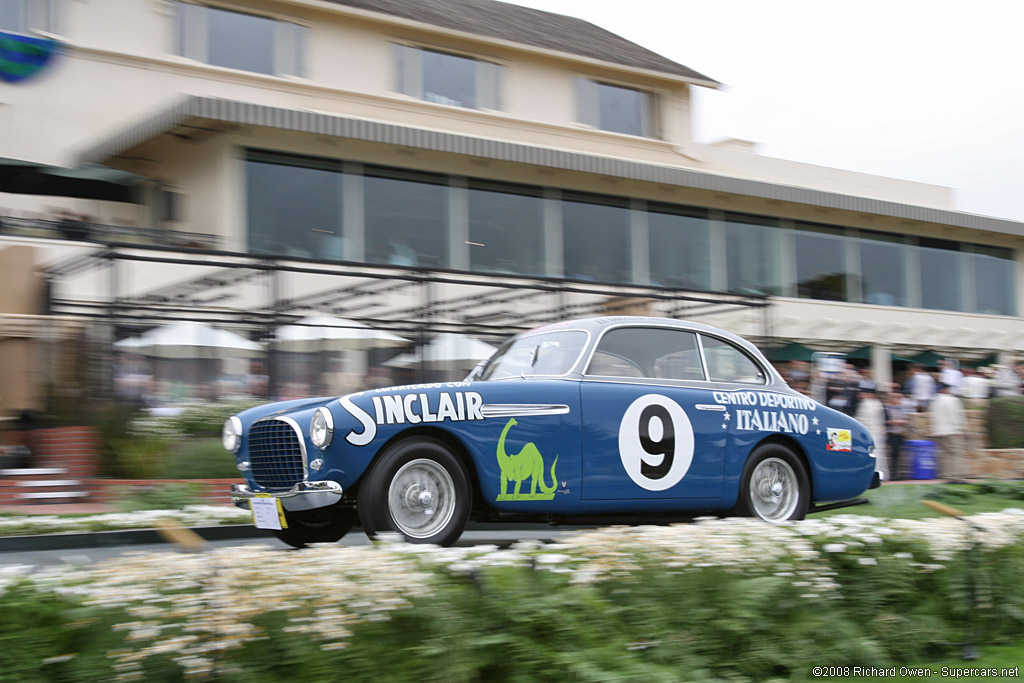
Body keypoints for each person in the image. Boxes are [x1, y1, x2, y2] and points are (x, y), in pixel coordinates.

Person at [929, 383, 967, 480]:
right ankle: (956, 476)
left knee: (945, 453)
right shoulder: (953, 400)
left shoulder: (934, 401)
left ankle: (946, 475)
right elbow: (958, 415)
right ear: (945, 389)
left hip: (940, 431)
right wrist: (961, 429)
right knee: (956, 453)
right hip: (952, 430)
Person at [854, 387, 887, 480]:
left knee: (872, 455)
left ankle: (873, 474)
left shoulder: (865, 404)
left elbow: (861, 420)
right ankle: (883, 475)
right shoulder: (878, 403)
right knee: (880, 455)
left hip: (870, 432)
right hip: (879, 432)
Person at [884, 388, 910, 480]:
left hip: (900, 433)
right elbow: (884, 421)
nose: (896, 399)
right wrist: (894, 422)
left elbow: (907, 419)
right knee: (893, 455)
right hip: (892, 433)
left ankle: (898, 474)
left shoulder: (902, 408)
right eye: (893, 397)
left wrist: (904, 422)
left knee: (899, 455)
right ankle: (893, 474)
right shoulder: (886, 408)